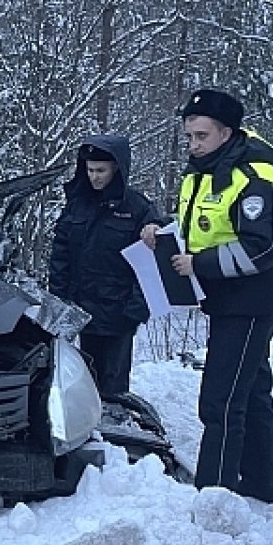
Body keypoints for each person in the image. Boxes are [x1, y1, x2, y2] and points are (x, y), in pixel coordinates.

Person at [140, 88, 273, 503]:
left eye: (202, 136)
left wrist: (199, 265)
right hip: (226, 301)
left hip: (251, 303)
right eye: (189, 136)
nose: (193, 144)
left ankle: (214, 495)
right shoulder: (204, 173)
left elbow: (264, 246)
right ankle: (263, 484)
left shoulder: (257, 178)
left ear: (227, 133)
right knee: (253, 389)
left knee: (221, 401)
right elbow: (201, 226)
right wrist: (161, 230)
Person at [49, 134, 163, 398]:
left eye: (101, 170)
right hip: (81, 309)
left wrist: (136, 310)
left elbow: (151, 263)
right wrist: (58, 300)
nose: (94, 177)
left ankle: (114, 430)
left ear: (116, 170)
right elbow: (60, 256)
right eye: (89, 170)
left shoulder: (138, 208)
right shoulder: (78, 205)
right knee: (82, 381)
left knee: (113, 386)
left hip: (118, 312)